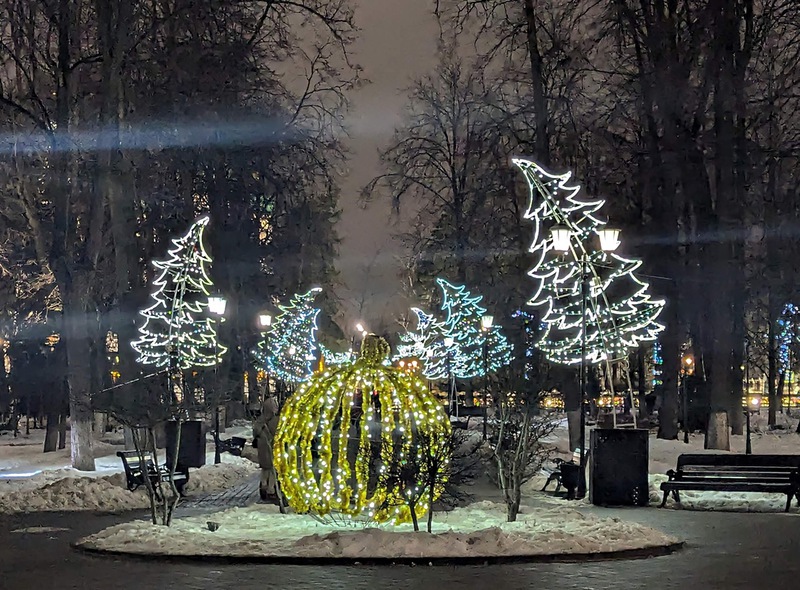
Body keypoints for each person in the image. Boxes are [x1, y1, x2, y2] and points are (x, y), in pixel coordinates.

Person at [252, 395, 280, 502]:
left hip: (262, 447)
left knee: (265, 468)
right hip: (272, 446)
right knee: (273, 468)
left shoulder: (260, 420)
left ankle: (264, 484)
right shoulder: (276, 420)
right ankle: (271, 489)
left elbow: (255, 432)